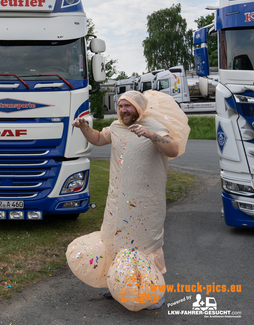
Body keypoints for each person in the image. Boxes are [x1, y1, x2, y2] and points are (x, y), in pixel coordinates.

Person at [66, 90, 189, 311]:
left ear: (139, 108)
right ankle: (116, 285)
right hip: (118, 200)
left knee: (145, 244)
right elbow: (98, 138)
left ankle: (154, 293)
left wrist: (150, 135)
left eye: (128, 106)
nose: (123, 110)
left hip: (146, 203)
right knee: (116, 240)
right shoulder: (116, 127)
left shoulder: (154, 125)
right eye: (120, 106)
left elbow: (173, 148)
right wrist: (84, 127)